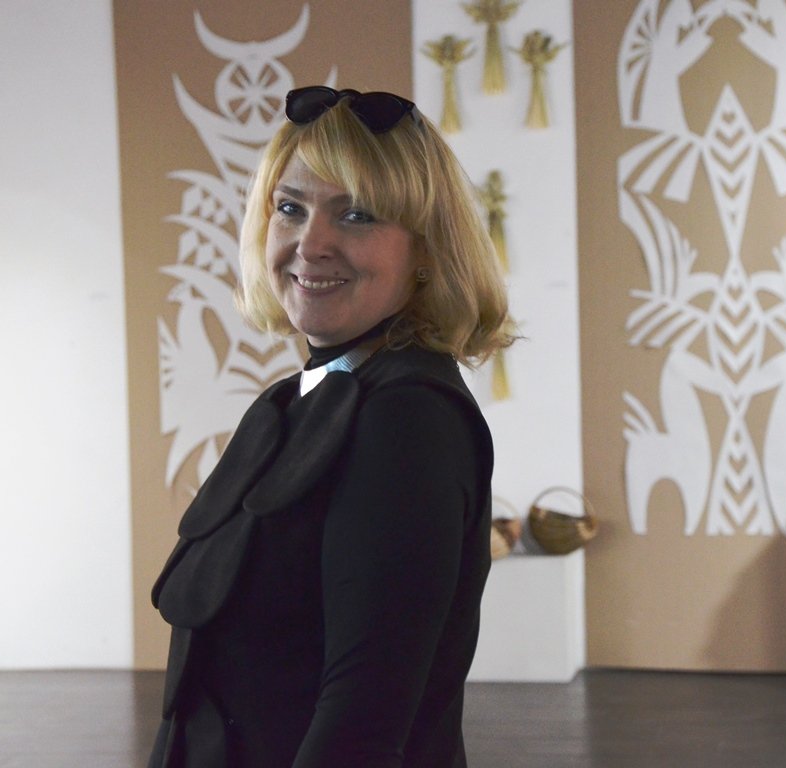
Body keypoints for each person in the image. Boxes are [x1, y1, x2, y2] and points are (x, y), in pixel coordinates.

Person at [148, 85, 513, 767]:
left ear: (427, 251)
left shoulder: (406, 419)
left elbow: (361, 720)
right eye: (290, 208)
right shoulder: (302, 398)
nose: (310, 243)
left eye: (356, 215)